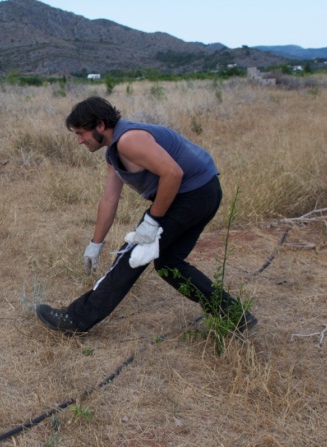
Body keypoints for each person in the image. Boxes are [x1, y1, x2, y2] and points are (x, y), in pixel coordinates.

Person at [35, 96, 257, 335]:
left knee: (131, 258)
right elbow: (109, 199)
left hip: (191, 194)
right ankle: (234, 314)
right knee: (168, 264)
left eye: (81, 133)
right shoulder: (114, 151)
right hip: (203, 193)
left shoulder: (129, 140)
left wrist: (151, 222)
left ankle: (75, 319)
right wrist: (95, 244)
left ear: (100, 125)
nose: (79, 141)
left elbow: (173, 174)